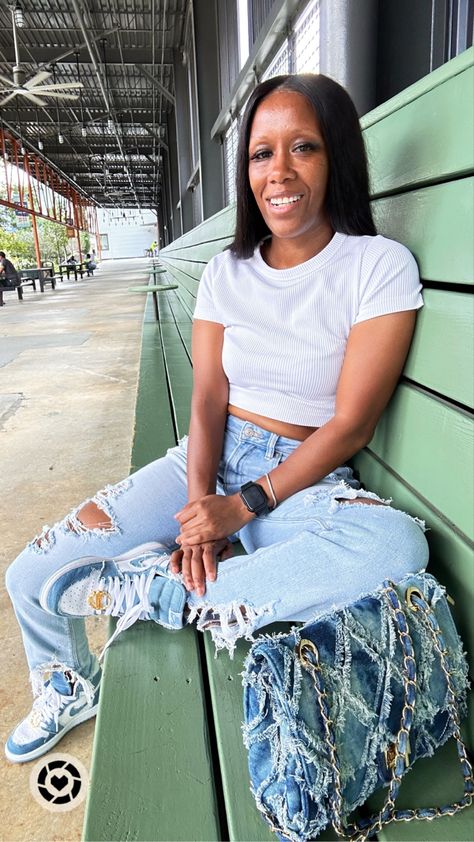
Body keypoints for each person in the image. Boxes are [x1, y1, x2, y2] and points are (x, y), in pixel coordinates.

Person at [4, 73, 429, 764]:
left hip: (299, 481)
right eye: (262, 154)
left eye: (304, 148)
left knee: (393, 548)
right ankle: (67, 686)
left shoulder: (375, 267)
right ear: (246, 169)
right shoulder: (229, 273)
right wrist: (203, 500)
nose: (279, 173)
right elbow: (206, 399)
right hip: (207, 458)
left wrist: (243, 507)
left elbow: (350, 424)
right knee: (31, 573)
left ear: (338, 158)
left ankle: (154, 593)